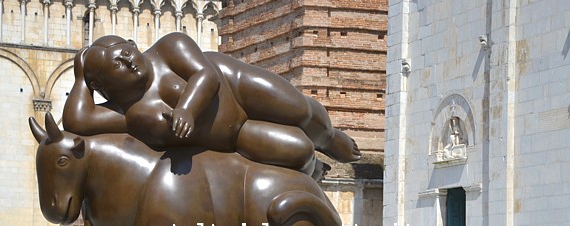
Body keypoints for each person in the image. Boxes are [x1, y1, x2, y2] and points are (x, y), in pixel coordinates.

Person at [62, 33, 361, 180]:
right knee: (296, 150)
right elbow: (77, 121)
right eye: (117, 64)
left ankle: (330, 138)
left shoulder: (169, 47)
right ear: (104, 86)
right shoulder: (128, 113)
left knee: (300, 110)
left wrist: (186, 110)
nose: (129, 60)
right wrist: (80, 74)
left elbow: (205, 75)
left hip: (236, 86)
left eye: (127, 51)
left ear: (133, 43)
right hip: (234, 135)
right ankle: (314, 169)